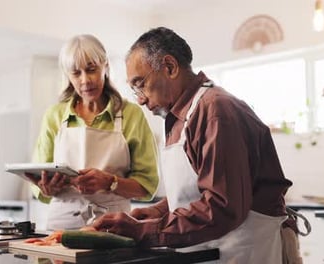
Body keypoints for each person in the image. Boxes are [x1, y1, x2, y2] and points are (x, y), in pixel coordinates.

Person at [91, 27, 300, 263]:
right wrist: (158, 211)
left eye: (140, 84)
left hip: (240, 253)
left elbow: (223, 206)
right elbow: (199, 190)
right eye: (134, 89)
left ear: (169, 67)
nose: (139, 99)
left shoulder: (216, 110)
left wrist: (144, 231)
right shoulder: (182, 116)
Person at [30, 34, 159, 231]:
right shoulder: (54, 116)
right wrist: (46, 188)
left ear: (105, 66)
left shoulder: (131, 115)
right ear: (68, 75)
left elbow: (147, 186)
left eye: (91, 70)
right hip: (61, 229)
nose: (85, 80)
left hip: (113, 227)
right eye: (76, 73)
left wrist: (110, 182)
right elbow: (39, 180)